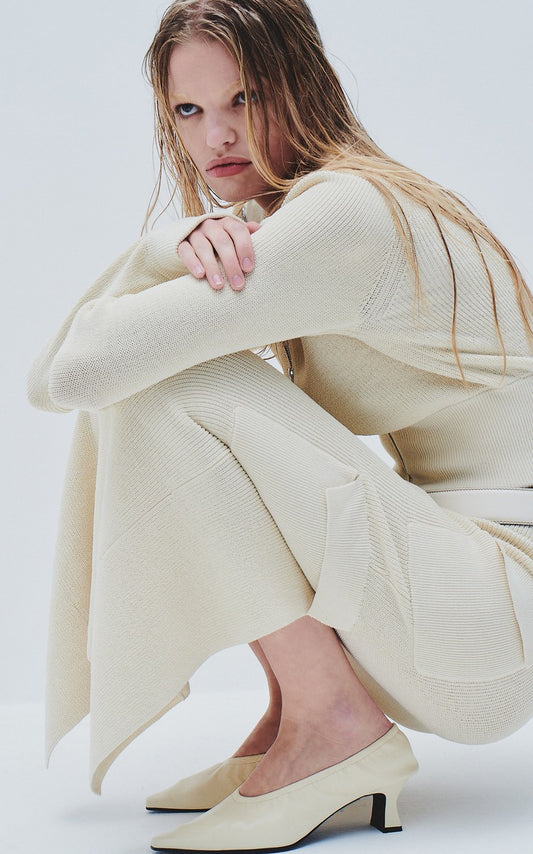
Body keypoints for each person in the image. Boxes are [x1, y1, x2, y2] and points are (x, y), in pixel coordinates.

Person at [27, 0, 533, 851]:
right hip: (461, 603)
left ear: (304, 85)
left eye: (246, 98)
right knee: (163, 379)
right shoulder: (293, 216)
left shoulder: (347, 216)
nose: (216, 135)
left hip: (488, 618)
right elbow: (60, 379)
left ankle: (335, 723)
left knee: (169, 382)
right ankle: (294, 713)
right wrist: (168, 245)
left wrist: (157, 253)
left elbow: (73, 373)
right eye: (189, 109)